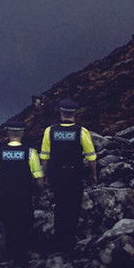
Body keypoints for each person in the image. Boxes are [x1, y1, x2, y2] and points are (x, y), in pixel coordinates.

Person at [0, 124, 44, 262]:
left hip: (6, 196)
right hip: (25, 197)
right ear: (22, 133)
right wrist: (40, 190)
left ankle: (10, 256)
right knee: (25, 224)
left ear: (8, 133)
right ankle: (23, 256)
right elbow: (38, 176)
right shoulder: (30, 153)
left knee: (9, 225)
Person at [39, 98, 98, 251]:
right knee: (73, 206)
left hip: (56, 174)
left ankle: (59, 238)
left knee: (59, 205)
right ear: (74, 114)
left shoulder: (49, 130)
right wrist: (93, 175)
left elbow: (44, 156)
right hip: (75, 174)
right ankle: (69, 241)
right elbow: (91, 156)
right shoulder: (82, 131)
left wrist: (44, 176)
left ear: (61, 112)